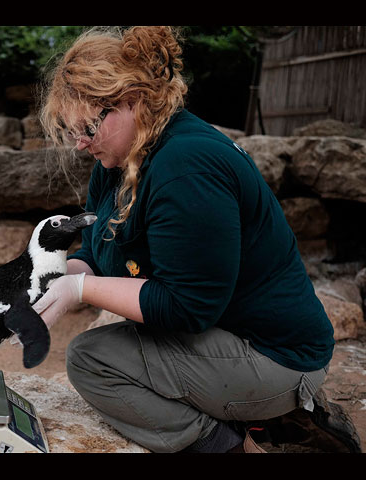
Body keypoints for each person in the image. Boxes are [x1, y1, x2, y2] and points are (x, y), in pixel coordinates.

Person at [32, 26, 353, 453]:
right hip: (228, 336)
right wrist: (54, 276)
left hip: (276, 356)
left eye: (88, 127)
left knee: (93, 359)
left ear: (131, 100)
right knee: (115, 339)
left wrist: (81, 289)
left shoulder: (186, 165)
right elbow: (95, 250)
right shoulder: (117, 163)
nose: (80, 144)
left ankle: (227, 442)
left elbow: (186, 306)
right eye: (74, 132)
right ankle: (267, 420)